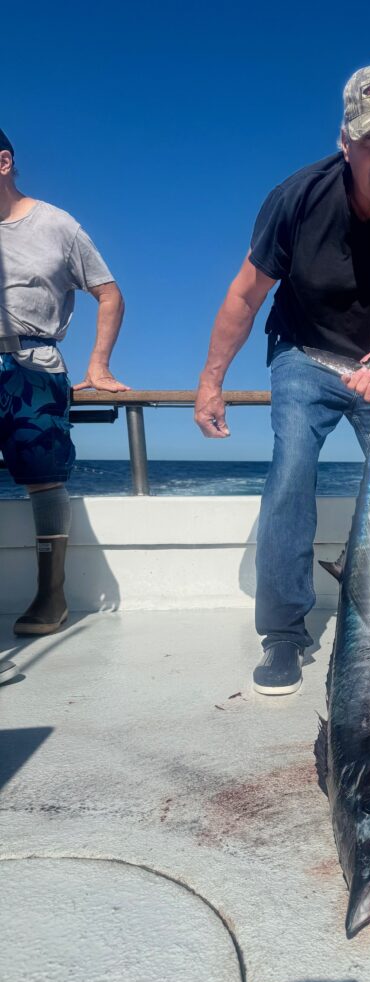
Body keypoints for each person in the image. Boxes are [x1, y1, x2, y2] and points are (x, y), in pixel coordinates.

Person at [194, 63, 370, 696]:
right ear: (343, 145)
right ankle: (284, 633)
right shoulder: (295, 198)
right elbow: (244, 295)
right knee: (292, 469)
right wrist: (211, 381)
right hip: (306, 351)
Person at [0, 128, 128, 635]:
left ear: (3, 162)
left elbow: (110, 294)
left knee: (44, 479)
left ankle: (50, 598)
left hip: (33, 366)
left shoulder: (56, 225)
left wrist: (98, 366)